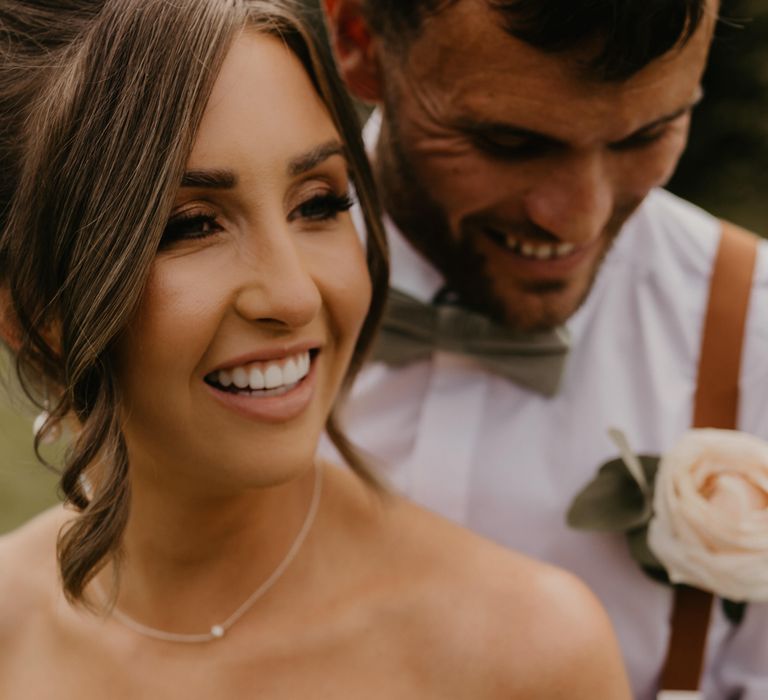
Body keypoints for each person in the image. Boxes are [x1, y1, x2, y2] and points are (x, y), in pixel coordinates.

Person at [0, 1, 631, 697]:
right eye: (192, 225)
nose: (295, 296)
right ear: (32, 311)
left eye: (319, 204)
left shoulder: (523, 652)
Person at [320, 0, 768, 697]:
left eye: (647, 133)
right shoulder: (203, 311)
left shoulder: (756, 334)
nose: (577, 217)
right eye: (509, 143)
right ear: (359, 39)